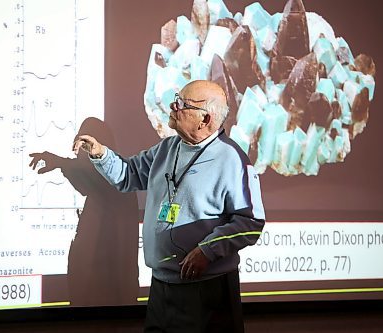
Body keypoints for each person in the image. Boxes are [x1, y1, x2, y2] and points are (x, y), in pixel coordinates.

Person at [73, 80, 266, 332]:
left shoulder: (232, 160)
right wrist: (100, 154)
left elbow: (250, 223)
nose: (172, 107)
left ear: (205, 119)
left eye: (182, 104)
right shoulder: (167, 147)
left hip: (206, 289)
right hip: (162, 285)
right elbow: (129, 174)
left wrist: (207, 251)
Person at [29, 117, 139, 306]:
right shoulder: (101, 191)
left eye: (85, 145)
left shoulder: (117, 180)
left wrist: (60, 163)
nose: (78, 151)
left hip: (108, 300)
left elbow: (94, 179)